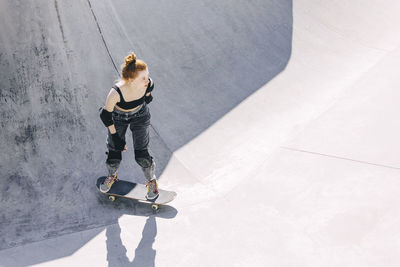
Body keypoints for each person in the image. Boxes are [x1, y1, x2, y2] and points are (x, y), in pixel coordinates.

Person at [99, 51, 158, 200]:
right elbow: (105, 115)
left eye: (147, 75)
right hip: (117, 119)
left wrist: (147, 96)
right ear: (131, 80)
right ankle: (112, 176)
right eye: (143, 78)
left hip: (140, 116)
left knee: (142, 153)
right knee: (114, 151)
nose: (147, 80)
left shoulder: (148, 84)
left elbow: (149, 91)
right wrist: (115, 137)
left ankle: (151, 181)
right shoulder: (116, 93)